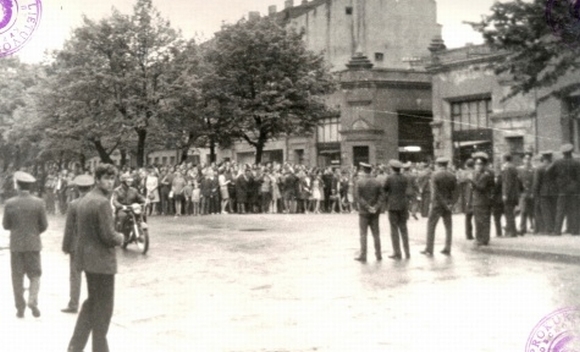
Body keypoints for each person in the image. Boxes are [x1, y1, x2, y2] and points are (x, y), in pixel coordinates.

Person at [67, 164, 125, 352]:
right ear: (98, 179)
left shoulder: (85, 200)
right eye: (106, 178)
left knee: (91, 304)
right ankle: (99, 348)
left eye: (112, 178)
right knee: (104, 311)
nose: (110, 182)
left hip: (88, 262)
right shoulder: (101, 202)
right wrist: (121, 237)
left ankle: (75, 346)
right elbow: (108, 236)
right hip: (103, 264)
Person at [2, 171, 48, 318]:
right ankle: (32, 300)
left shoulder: (9, 203)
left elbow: (5, 225)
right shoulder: (39, 202)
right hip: (33, 245)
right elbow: (44, 225)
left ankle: (20, 308)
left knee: (17, 277)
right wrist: (34, 233)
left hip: (16, 246)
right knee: (35, 274)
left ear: (17, 185)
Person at [61, 175, 94, 314]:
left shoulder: (73, 204)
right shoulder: (98, 203)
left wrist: (65, 246)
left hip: (76, 245)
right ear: (91, 187)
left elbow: (69, 228)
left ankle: (73, 304)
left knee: (75, 275)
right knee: (93, 276)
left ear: (78, 188)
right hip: (93, 246)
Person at [421, 157, 457, 256]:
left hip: (437, 204)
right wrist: (452, 203)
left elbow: (435, 192)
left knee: (431, 225)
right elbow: (456, 191)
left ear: (438, 165)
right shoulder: (452, 175)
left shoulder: (434, 175)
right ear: (446, 164)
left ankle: (429, 248)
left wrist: (440, 203)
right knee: (448, 227)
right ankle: (447, 247)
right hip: (448, 205)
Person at [546, 143, 580, 235]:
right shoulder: (577, 163)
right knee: (575, 210)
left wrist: (556, 181)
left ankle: (557, 231)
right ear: (571, 152)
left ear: (563, 153)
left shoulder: (558, 162)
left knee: (560, 210)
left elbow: (548, 172)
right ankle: (575, 230)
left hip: (562, 189)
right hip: (574, 189)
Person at [354, 163, 384, 262]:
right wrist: (375, 207)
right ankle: (378, 254)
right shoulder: (377, 182)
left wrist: (367, 207)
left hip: (363, 212)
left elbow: (358, 197)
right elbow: (381, 196)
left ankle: (363, 255)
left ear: (363, 170)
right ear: (371, 170)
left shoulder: (359, 182)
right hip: (375, 212)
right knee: (376, 234)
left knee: (363, 234)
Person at [384, 160, 410, 260]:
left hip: (393, 206)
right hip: (403, 205)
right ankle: (407, 252)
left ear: (392, 168)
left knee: (394, 230)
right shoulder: (404, 178)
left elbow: (385, 189)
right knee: (404, 229)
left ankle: (397, 252)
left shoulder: (389, 178)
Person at [469, 153, 495, 246]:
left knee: (483, 220)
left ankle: (483, 239)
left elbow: (481, 187)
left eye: (480, 164)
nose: (477, 166)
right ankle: (479, 238)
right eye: (476, 164)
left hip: (483, 201)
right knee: (478, 221)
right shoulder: (477, 175)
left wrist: (472, 181)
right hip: (477, 201)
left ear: (483, 165)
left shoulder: (485, 175)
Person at [111, 173, 146, 238]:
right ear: (123, 182)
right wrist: (120, 206)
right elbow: (114, 201)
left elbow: (139, 197)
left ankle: (140, 229)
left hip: (132, 208)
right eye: (128, 181)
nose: (130, 182)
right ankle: (121, 234)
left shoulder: (134, 190)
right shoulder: (117, 190)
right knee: (123, 216)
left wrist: (145, 201)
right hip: (122, 209)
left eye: (130, 181)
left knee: (142, 214)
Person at [534, 151, 556, 234]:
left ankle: (548, 229)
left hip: (543, 193)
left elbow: (536, 183)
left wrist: (536, 193)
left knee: (545, 211)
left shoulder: (539, 168)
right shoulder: (554, 167)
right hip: (554, 192)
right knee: (553, 210)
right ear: (550, 157)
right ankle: (554, 228)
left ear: (543, 158)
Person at [502, 153, 520, 237]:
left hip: (509, 194)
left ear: (505, 159)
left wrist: (505, 194)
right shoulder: (513, 167)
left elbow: (507, 183)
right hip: (514, 194)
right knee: (511, 213)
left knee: (508, 213)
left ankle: (511, 232)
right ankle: (512, 231)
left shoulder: (507, 168)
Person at [517, 152, 535, 235]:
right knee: (523, 211)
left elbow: (535, 182)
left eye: (529, 159)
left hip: (531, 193)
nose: (527, 161)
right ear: (523, 160)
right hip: (523, 193)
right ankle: (522, 228)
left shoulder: (534, 169)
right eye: (526, 159)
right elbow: (517, 182)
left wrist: (532, 192)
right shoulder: (519, 169)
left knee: (532, 211)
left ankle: (534, 227)